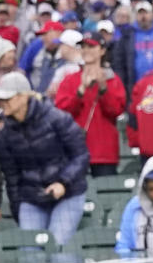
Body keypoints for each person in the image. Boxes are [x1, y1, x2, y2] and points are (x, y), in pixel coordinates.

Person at [0, 71, 89, 246]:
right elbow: (12, 178)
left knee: (58, 248)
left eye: (8, 99)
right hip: (32, 197)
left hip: (68, 194)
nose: (3, 104)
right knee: (29, 252)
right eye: (1, 100)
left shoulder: (57, 118)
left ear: (24, 97)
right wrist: (18, 211)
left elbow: (81, 155)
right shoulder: (5, 135)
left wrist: (63, 182)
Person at [54, 36, 127, 176]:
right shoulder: (70, 80)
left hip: (104, 153)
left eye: (91, 47)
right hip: (75, 151)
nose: (87, 51)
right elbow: (62, 112)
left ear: (102, 51)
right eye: (84, 47)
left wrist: (103, 88)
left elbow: (116, 110)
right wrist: (80, 91)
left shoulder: (113, 79)